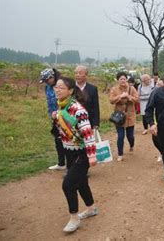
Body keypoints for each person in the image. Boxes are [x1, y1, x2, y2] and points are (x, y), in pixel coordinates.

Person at [53, 77, 98, 233]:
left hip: (82, 153)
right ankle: (91, 208)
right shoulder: (61, 106)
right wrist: (56, 117)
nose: (57, 90)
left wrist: (92, 155)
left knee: (68, 185)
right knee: (81, 182)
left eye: (61, 88)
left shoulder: (78, 109)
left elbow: (87, 133)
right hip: (69, 152)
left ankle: (74, 218)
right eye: (56, 87)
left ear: (70, 90)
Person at [109, 71, 139, 162]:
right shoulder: (114, 89)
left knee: (130, 136)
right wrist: (120, 96)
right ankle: (120, 154)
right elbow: (111, 100)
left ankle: (131, 145)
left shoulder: (132, 88)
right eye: (121, 79)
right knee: (120, 136)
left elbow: (137, 99)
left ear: (127, 79)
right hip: (119, 117)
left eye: (124, 79)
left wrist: (129, 97)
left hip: (130, 115)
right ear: (118, 80)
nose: (123, 80)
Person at [40, 68, 66, 170]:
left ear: (52, 77)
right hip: (54, 118)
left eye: (47, 80)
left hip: (65, 117)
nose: (46, 82)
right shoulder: (47, 88)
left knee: (68, 140)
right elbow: (49, 102)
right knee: (58, 140)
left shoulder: (61, 85)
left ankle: (72, 164)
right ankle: (61, 163)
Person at [74, 65, 100, 130]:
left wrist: (96, 123)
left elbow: (95, 107)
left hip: (88, 121)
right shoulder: (70, 88)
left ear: (86, 75)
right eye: (76, 73)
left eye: (80, 73)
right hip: (73, 121)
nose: (77, 75)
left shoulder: (92, 89)